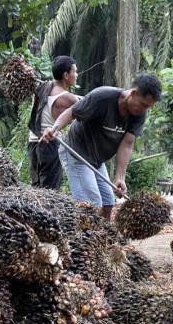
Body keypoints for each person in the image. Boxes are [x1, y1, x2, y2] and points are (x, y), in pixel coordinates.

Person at [40, 73, 162, 219]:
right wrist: (54, 129)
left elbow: (127, 144)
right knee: (91, 203)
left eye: (148, 107)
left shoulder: (139, 114)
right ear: (133, 93)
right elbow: (71, 112)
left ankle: (102, 238)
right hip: (76, 152)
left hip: (97, 160)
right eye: (143, 104)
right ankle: (83, 239)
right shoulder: (102, 97)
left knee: (107, 202)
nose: (144, 110)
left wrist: (120, 178)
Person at [27, 56, 79, 189]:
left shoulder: (40, 88)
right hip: (50, 145)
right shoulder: (67, 98)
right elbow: (88, 109)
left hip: (33, 145)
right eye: (75, 72)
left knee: (37, 189)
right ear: (66, 75)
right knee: (50, 192)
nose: (77, 75)